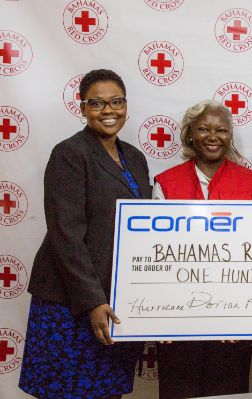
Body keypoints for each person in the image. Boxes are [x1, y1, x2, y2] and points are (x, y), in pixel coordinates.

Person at [18, 69, 150, 399]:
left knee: (109, 391)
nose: (109, 110)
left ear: (126, 106)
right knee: (67, 391)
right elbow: (66, 236)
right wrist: (93, 301)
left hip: (116, 299)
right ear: (83, 108)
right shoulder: (69, 154)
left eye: (116, 101)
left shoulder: (135, 157)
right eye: (97, 103)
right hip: (70, 302)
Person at [153, 100, 252, 399]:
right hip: (177, 319)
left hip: (232, 320)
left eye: (222, 130)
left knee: (229, 392)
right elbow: (155, 256)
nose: (213, 136)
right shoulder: (166, 183)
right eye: (204, 129)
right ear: (190, 135)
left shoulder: (251, 183)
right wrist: (159, 320)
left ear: (230, 136)